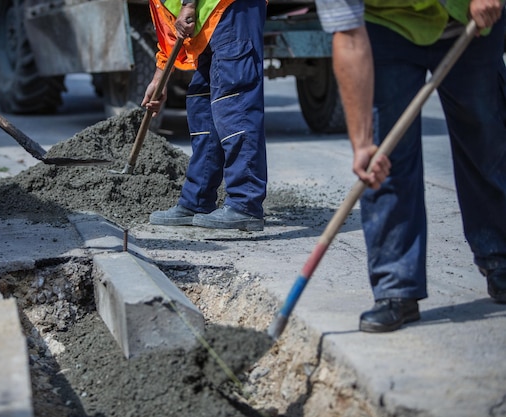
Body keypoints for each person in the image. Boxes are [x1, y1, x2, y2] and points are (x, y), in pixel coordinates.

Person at [314, 0, 506, 332]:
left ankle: (500, 256)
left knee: (486, 139)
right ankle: (395, 287)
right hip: (387, 26)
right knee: (385, 156)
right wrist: (362, 143)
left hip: (469, 16)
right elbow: (348, 34)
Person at [144, 0, 268, 232]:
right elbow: (168, 22)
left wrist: (189, 5)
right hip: (208, 21)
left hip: (231, 8)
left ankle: (245, 203)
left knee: (234, 100)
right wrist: (160, 76)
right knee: (202, 104)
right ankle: (197, 200)